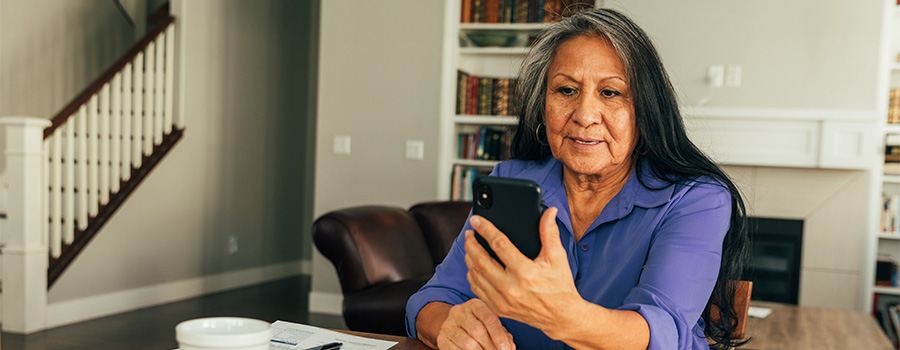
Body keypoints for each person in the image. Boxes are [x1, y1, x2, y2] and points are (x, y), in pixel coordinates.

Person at [406, 8, 748, 350]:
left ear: (645, 111)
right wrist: (447, 325)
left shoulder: (696, 198)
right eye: (566, 90)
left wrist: (562, 316)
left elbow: (661, 328)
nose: (584, 115)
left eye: (611, 93)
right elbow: (435, 297)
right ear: (542, 106)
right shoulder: (511, 181)